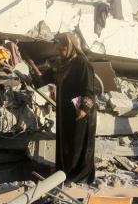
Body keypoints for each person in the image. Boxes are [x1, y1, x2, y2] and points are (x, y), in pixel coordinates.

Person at [33, 32, 100, 184]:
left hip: (80, 111)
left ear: (70, 47)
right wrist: (32, 80)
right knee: (65, 143)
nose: (59, 52)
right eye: (58, 50)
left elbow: (89, 89)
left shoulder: (82, 63)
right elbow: (45, 78)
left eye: (61, 49)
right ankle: (63, 172)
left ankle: (78, 177)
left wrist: (83, 109)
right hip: (65, 111)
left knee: (78, 144)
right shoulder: (60, 63)